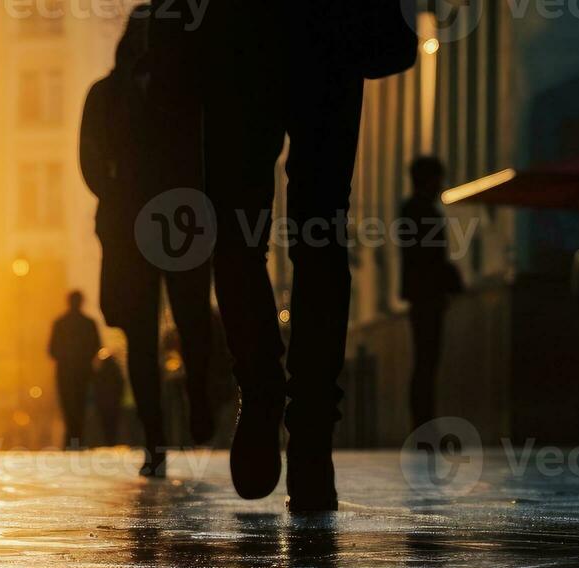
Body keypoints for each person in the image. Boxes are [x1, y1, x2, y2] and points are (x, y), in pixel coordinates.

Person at [196, 0, 416, 509]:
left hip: (239, 34)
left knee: (240, 232)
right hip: (326, 31)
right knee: (317, 234)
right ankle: (309, 432)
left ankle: (265, 390)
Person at [80, 6, 214, 476]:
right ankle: (156, 440)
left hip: (178, 218)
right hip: (138, 221)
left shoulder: (186, 89)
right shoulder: (108, 94)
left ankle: (196, 402)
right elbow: (90, 160)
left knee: (191, 320)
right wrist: (115, 194)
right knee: (142, 334)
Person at [400, 156, 462, 432]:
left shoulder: (412, 210)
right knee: (427, 361)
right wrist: (448, 280)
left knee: (424, 361)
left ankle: (423, 424)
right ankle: (424, 425)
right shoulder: (422, 211)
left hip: (421, 295)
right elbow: (428, 258)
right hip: (428, 296)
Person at [48, 291, 103, 450]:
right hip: (82, 371)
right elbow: (95, 346)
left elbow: (52, 350)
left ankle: (72, 438)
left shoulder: (60, 323)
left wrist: (65, 358)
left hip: (65, 372)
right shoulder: (88, 323)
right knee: (79, 404)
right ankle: (77, 438)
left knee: (68, 404)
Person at [92, 349, 126, 446]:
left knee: (107, 423)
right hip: (112, 401)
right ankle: (111, 442)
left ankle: (109, 442)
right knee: (112, 423)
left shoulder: (99, 372)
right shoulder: (114, 370)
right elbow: (121, 383)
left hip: (106, 402)